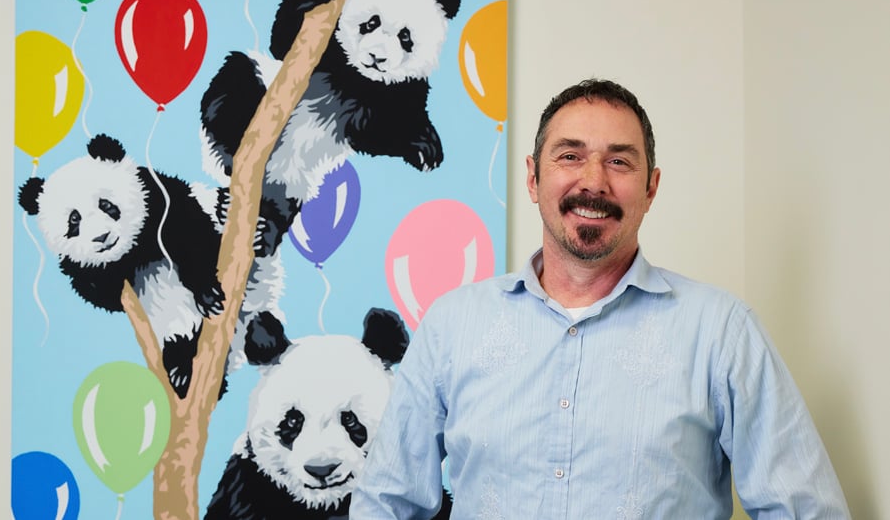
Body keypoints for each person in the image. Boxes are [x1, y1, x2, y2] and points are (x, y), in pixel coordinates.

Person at [349, 79, 851, 519]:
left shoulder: (722, 332)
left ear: (651, 188)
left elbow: (805, 509)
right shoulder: (452, 325)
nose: (593, 181)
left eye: (619, 161)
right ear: (532, 177)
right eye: (569, 156)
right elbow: (386, 505)